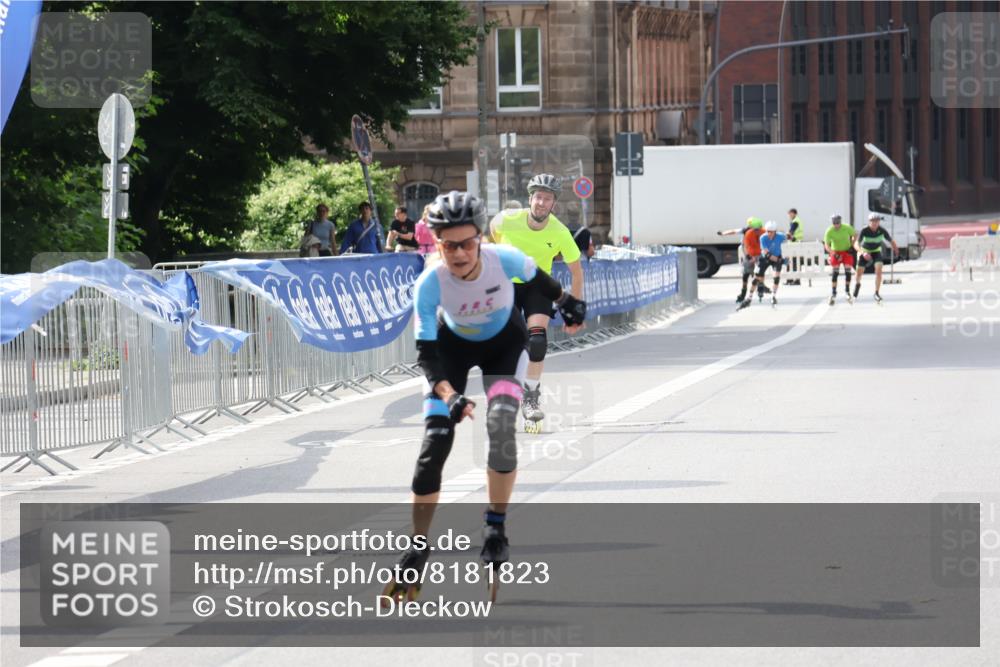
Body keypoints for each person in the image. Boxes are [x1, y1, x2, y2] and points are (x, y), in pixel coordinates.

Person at [382, 191, 586, 604]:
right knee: (434, 443)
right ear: (436, 243)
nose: (459, 253)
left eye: (467, 243)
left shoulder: (504, 260)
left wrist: (567, 302)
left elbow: (542, 282)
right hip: (450, 353)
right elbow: (427, 356)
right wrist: (449, 396)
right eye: (449, 245)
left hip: (503, 348)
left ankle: (496, 526)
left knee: (501, 428)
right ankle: (418, 547)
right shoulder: (429, 284)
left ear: (481, 239)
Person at [489, 174, 584, 430]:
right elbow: (492, 234)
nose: (542, 203)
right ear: (530, 199)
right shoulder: (507, 220)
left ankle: (530, 398)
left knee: (538, 341)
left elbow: (577, 273)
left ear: (554, 204)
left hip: (538, 286)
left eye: (547, 199)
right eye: (538, 197)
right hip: (508, 284)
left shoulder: (560, 232)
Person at [718, 216, 768, 303]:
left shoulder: (748, 230)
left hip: (752, 254)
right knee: (755, 273)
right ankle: (757, 288)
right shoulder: (754, 230)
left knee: (748, 274)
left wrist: (723, 233)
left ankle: (748, 292)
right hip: (755, 254)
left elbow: (734, 232)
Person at [739, 220, 787, 310]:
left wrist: (791, 236)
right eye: (768, 231)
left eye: (771, 232)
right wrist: (781, 261)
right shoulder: (763, 238)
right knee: (756, 279)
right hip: (765, 258)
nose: (769, 234)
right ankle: (749, 298)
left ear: (775, 231)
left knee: (776, 277)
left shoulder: (780, 236)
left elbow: (788, 237)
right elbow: (767, 254)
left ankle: (773, 296)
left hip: (777, 256)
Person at [853, 212, 898, 303]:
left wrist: (896, 249)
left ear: (879, 222)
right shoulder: (864, 230)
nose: (874, 223)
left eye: (876, 221)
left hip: (876, 251)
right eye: (872, 221)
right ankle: (857, 284)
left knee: (879, 271)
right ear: (869, 222)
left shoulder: (882, 230)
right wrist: (862, 252)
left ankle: (876, 293)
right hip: (865, 251)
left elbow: (891, 240)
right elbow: (856, 244)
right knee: (859, 272)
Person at [823, 214, 856, 305]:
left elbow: (855, 235)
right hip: (836, 251)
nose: (836, 225)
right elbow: (826, 245)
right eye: (834, 223)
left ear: (840, 222)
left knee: (848, 272)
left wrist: (852, 244)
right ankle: (834, 292)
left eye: (838, 223)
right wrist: (833, 254)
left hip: (846, 251)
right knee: (835, 273)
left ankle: (847, 291)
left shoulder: (846, 227)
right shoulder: (829, 230)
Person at [786, 208, 805, 284]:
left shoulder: (796, 221)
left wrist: (787, 235)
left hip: (795, 243)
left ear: (795, 214)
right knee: (793, 261)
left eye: (791, 213)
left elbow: (791, 231)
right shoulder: (796, 220)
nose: (790, 215)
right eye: (789, 214)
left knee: (794, 261)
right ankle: (791, 279)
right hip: (796, 243)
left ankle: (796, 279)